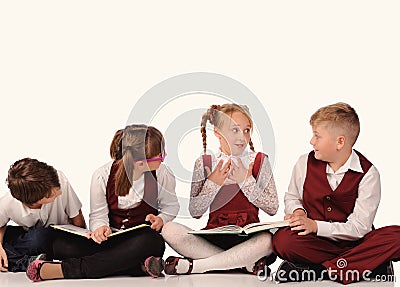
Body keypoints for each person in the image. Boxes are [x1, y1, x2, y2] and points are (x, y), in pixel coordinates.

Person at [26, 125, 180, 281]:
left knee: (153, 241)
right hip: (110, 241)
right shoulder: (102, 175)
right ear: (140, 163)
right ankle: (138, 266)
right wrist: (100, 228)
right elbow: (98, 215)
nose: (163, 156)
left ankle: (64, 270)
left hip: (138, 241)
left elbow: (171, 206)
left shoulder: (162, 174)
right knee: (61, 244)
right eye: (160, 155)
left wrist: (161, 219)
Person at [273, 102, 400, 284]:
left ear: (340, 142)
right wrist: (298, 212)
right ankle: (365, 265)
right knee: (282, 241)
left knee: (397, 237)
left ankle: (321, 270)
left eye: (317, 136)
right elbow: (292, 197)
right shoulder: (304, 163)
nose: (311, 141)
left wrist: (316, 225)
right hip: (317, 242)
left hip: (356, 241)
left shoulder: (369, 174)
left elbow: (358, 228)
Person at [160, 103, 278, 276]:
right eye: (235, 130)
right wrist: (213, 182)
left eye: (247, 130)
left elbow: (272, 207)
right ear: (217, 132)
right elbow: (196, 211)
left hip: (248, 238)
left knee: (268, 240)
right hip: (214, 238)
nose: (242, 137)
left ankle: (197, 266)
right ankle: (243, 264)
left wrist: (246, 180)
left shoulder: (259, 160)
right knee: (169, 229)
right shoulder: (205, 162)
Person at [0, 158, 85, 272]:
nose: (59, 192)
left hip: (61, 238)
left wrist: (83, 241)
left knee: (40, 236)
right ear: (34, 202)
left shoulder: (58, 180)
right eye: (51, 195)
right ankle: (29, 262)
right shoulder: (7, 203)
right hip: (34, 239)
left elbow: (76, 214)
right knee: (33, 236)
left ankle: (18, 260)